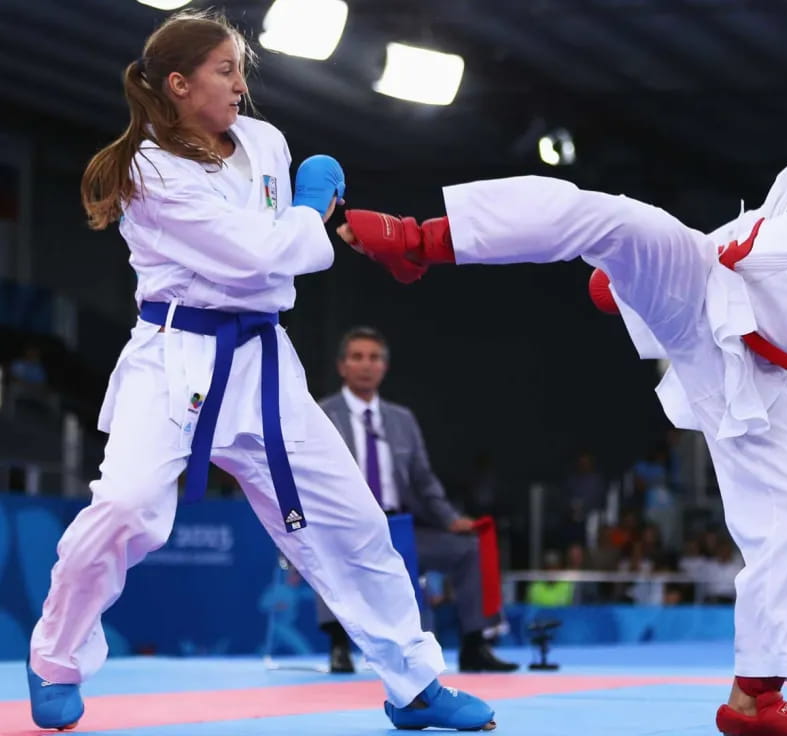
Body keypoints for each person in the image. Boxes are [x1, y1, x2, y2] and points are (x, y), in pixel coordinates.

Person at [337, 113, 787, 736]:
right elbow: (752, 230)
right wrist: (638, 282)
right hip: (699, 281)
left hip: (746, 372)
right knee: (613, 220)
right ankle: (420, 241)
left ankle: (753, 697)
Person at [25, 11, 494, 733]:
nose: (243, 84)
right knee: (125, 507)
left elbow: (281, 266)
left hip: (263, 360)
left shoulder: (267, 142)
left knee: (355, 520)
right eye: (226, 71)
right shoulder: (149, 170)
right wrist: (310, 211)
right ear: (179, 85)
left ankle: (415, 684)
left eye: (242, 68)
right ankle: (56, 658)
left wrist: (309, 226)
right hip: (174, 355)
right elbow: (258, 257)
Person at [316, 326, 517, 673]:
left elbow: (424, 481)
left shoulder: (401, 420)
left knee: (468, 548)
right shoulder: (322, 415)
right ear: (342, 366)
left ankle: (474, 645)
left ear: (384, 367)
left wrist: (450, 518)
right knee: (325, 548)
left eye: (374, 358)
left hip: (401, 529)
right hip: (348, 529)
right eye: (357, 357)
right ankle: (338, 647)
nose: (366, 365)